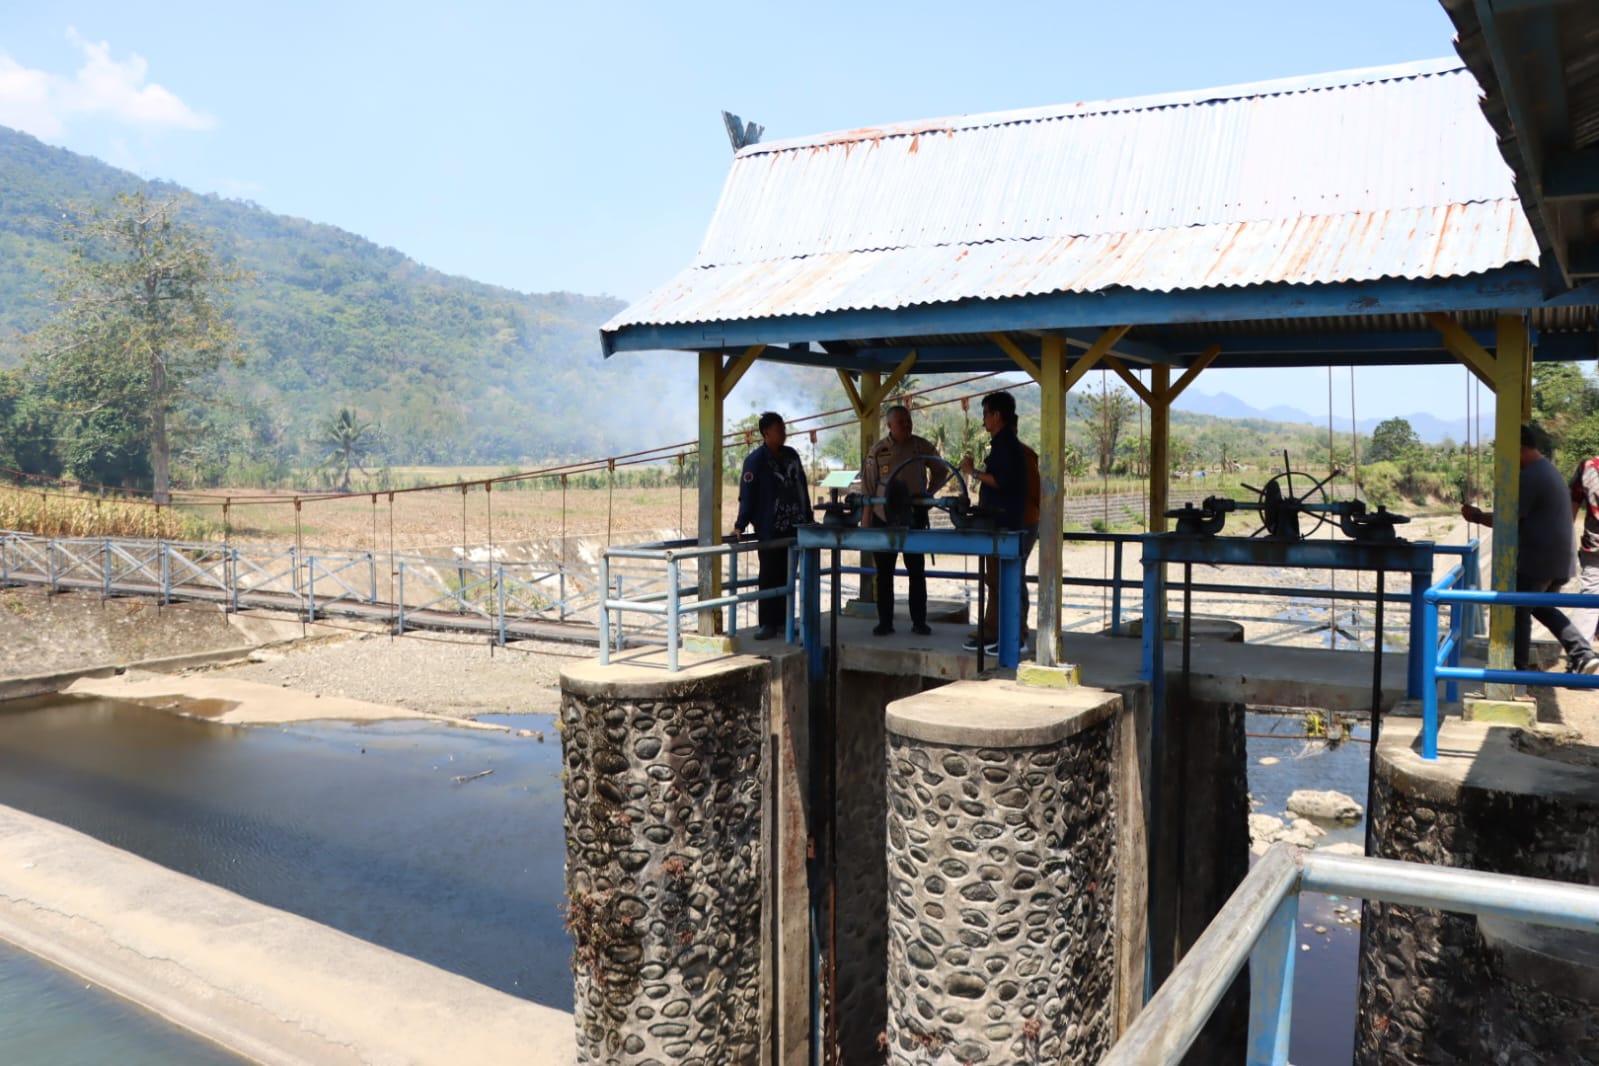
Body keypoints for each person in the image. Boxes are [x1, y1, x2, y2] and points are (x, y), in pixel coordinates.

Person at [1461, 423, 1599, 675]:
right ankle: (1582, 653)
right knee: (1540, 607)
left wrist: (1477, 516)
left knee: (1518, 608)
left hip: (1540, 559)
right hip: (1559, 557)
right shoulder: (1547, 470)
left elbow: (1508, 520)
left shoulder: (1531, 475)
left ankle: (1517, 670)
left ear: (1519, 448)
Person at [958, 391, 1036, 653]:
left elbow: (1000, 481)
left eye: (986, 414)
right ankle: (993, 632)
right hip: (998, 522)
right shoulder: (1003, 445)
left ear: (997, 416)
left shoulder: (1008, 447)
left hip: (1007, 523)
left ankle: (1016, 636)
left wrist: (973, 472)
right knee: (995, 580)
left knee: (1009, 580)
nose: (984, 420)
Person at [861, 404, 948, 637]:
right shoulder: (878, 450)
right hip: (883, 517)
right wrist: (866, 520)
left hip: (914, 515)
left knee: (916, 571)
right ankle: (885, 622)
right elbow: (868, 486)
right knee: (884, 573)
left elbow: (941, 470)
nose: (907, 425)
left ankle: (919, 622)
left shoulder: (921, 446)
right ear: (889, 425)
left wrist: (929, 493)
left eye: (909, 421)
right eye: (901, 422)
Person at [733, 412, 811, 640]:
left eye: (784, 429)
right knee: (768, 575)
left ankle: (784, 621)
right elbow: (747, 494)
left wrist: (807, 515)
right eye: (779, 430)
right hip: (770, 529)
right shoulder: (755, 460)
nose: (783, 434)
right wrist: (741, 524)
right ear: (766, 433)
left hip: (794, 527)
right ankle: (767, 623)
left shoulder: (791, 455)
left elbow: (802, 486)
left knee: (788, 576)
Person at [1569, 451, 1599, 640]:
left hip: (1594, 547)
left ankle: (1580, 651)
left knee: (1589, 598)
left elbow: (1571, 508)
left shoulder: (1588, 467)